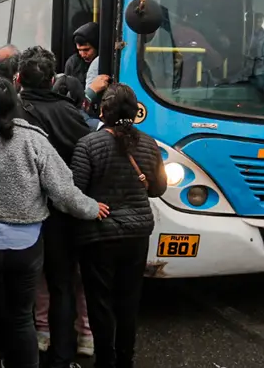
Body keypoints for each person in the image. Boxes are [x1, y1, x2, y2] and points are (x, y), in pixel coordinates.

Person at [0, 78, 107, 368]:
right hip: (25, 246)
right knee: (20, 319)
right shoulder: (35, 139)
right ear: (16, 103)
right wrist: (92, 208)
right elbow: (64, 192)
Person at [71, 83, 168, 368]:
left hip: (99, 235)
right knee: (128, 302)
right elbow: (158, 189)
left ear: (102, 111)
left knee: (100, 303)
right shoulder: (150, 145)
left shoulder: (89, 144)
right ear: (135, 112)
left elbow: (76, 191)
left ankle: (105, 361)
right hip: (137, 236)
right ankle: (126, 360)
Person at [16, 47, 93, 368]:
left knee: (21, 288)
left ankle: (23, 353)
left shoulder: (12, 112)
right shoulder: (71, 113)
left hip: (20, 216)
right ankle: (62, 356)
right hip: (62, 214)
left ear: (18, 78)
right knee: (62, 285)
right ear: (52, 79)